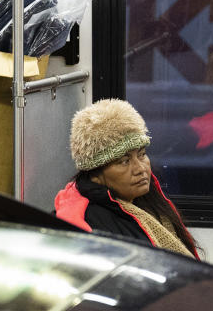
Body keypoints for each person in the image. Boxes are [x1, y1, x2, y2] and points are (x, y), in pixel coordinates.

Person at [54, 99, 200, 259]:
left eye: (142, 154)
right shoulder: (93, 225)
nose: (140, 168)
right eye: (124, 161)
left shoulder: (147, 201)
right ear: (95, 175)